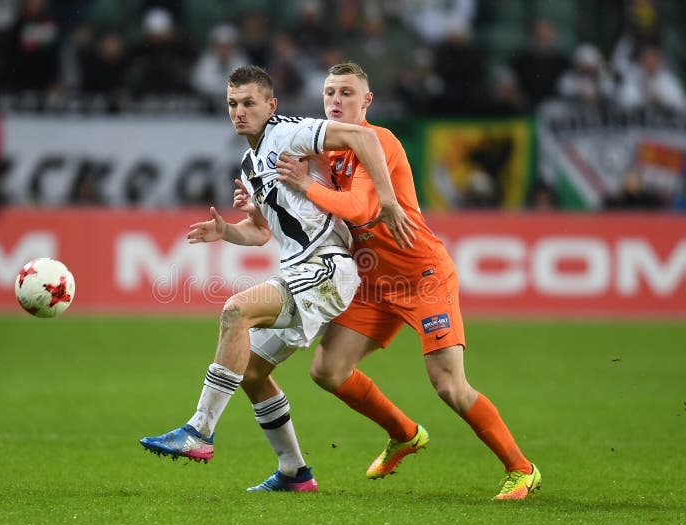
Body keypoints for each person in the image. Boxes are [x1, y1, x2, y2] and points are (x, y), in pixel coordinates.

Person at [239, 62, 540, 500]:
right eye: (329, 93)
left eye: (346, 93)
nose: (335, 101)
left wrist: (304, 184)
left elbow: (361, 210)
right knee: (328, 371)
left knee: (448, 385)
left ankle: (521, 469)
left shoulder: (376, 142)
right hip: (372, 283)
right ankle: (403, 433)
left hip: (422, 277)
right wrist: (257, 206)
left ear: (367, 101)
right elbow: (302, 205)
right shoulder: (327, 150)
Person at [139, 65, 416, 491]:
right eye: (232, 103)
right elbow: (265, 232)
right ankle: (294, 472)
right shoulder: (251, 162)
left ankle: (199, 430)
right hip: (300, 269)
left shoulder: (290, 132)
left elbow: (363, 136)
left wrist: (389, 200)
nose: (239, 111)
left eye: (249, 103)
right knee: (249, 370)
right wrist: (230, 231)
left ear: (271, 105)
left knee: (235, 312)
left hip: (327, 267)